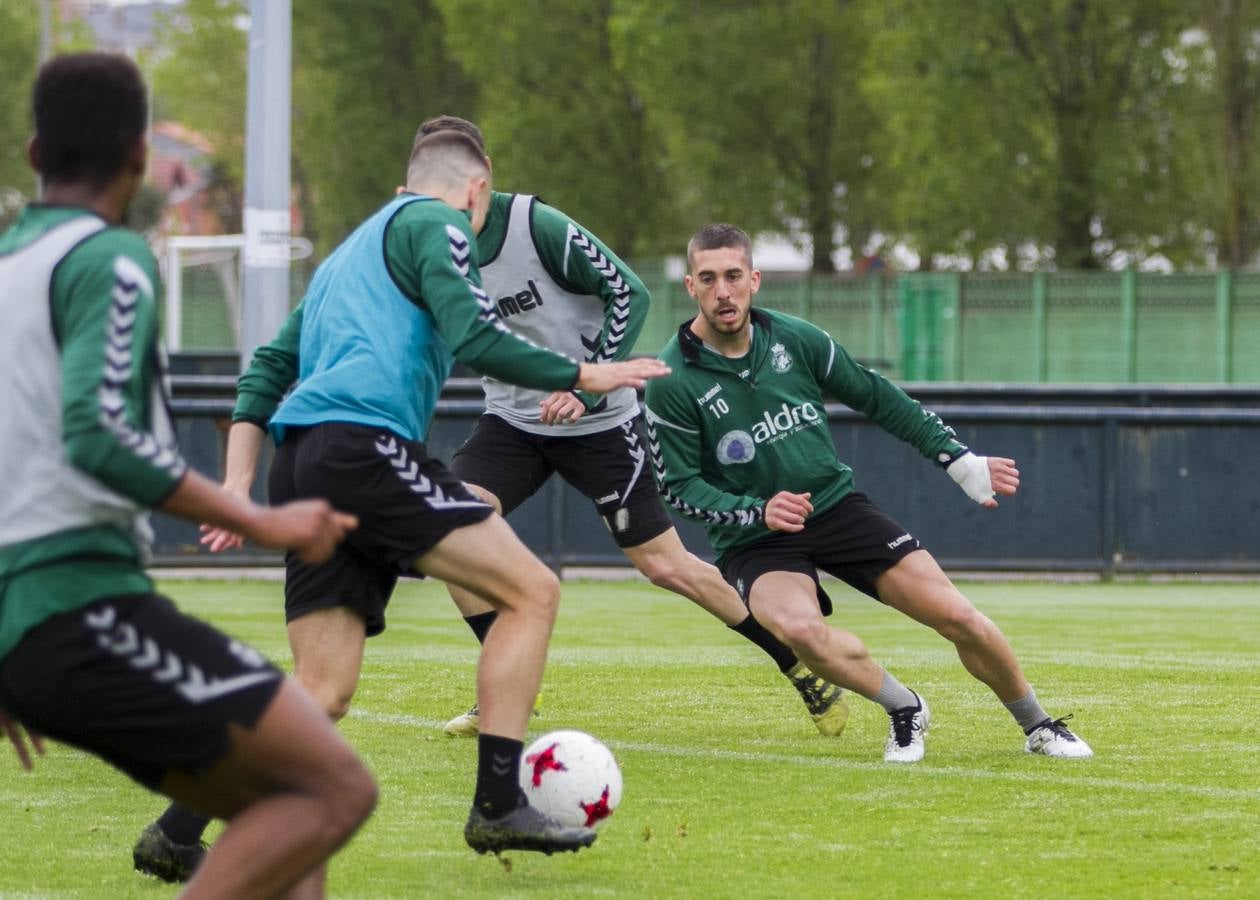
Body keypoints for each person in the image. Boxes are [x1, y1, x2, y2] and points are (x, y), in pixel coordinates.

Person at [131, 127, 672, 880]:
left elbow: (268, 369)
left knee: (322, 689)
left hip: (303, 463)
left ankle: (175, 833)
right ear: (477, 190)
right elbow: (475, 334)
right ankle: (497, 806)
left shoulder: (343, 260)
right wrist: (586, 373)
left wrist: (234, 483)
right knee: (532, 592)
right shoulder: (438, 222)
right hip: (363, 450)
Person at [0, 52, 376, 899]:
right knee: (336, 788)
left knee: (288, 807)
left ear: (32, 153)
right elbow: (97, 435)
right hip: (80, 606)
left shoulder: (9, 269)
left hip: (30, 620)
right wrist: (262, 519)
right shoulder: (111, 259)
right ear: (141, 158)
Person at [412, 115, 848, 739]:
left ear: (478, 182)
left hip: (601, 423)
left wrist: (586, 387)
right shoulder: (429, 246)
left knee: (667, 566)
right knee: (451, 523)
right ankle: (505, 686)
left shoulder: (535, 225)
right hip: (514, 418)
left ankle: (798, 666)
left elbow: (630, 293)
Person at [642, 223, 1094, 764]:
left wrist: (957, 459)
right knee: (801, 633)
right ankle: (905, 708)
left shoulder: (797, 339)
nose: (723, 292)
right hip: (755, 537)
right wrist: (755, 510)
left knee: (958, 617)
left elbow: (879, 397)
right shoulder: (671, 380)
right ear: (690, 286)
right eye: (709, 279)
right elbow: (679, 487)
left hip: (836, 509)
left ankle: (1038, 724)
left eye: (733, 276)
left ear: (754, 280)